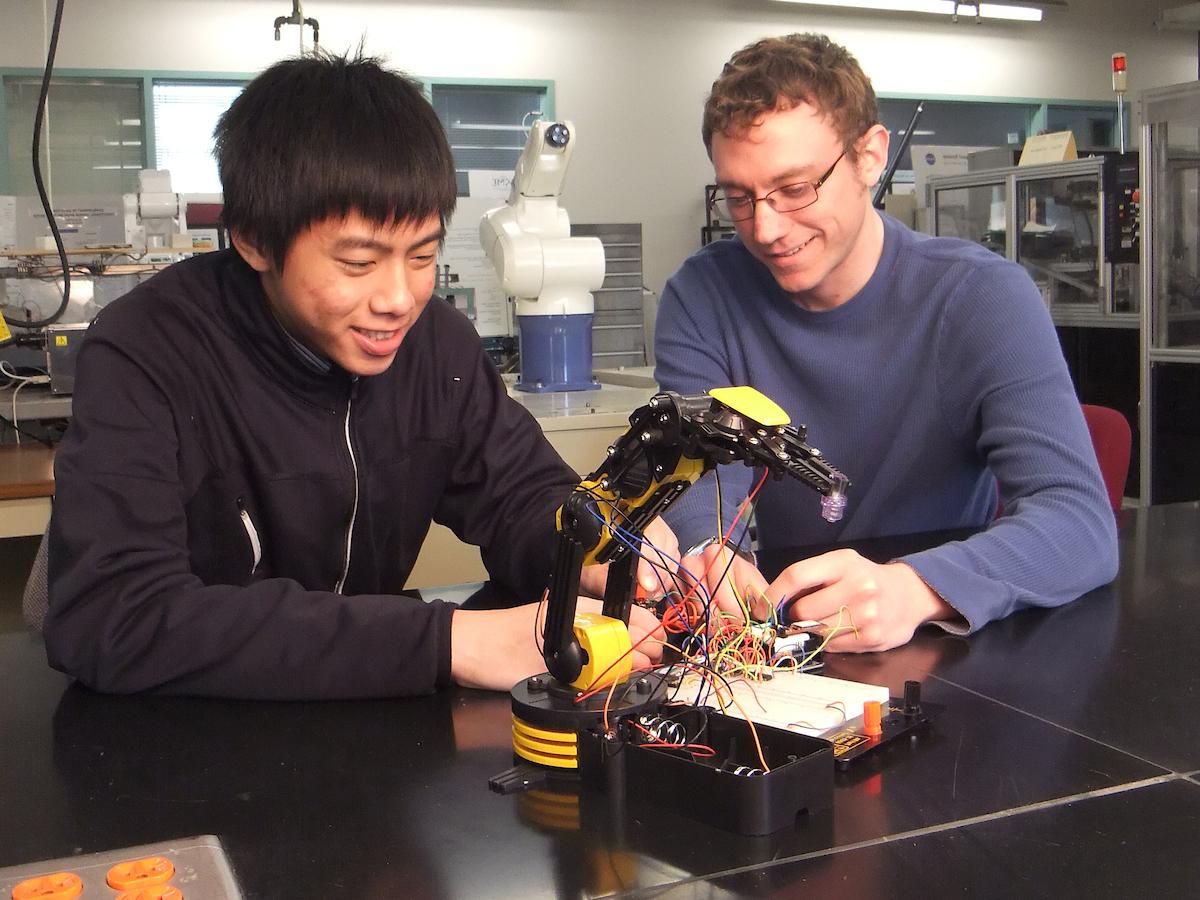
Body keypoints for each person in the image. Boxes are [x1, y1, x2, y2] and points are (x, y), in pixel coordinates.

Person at [42, 52, 665, 699]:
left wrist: (604, 548)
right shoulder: (146, 351)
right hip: (187, 755)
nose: (398, 297)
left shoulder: (436, 349)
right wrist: (448, 640)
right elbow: (113, 614)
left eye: (422, 255)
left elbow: (522, 494)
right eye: (359, 262)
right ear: (254, 239)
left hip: (370, 741)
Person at [656, 33, 1118, 652]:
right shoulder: (701, 295)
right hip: (791, 647)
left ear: (870, 156)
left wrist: (918, 587)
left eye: (795, 189)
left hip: (950, 658)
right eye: (738, 197)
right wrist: (710, 554)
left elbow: (1079, 522)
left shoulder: (982, 297)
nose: (764, 228)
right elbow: (704, 481)